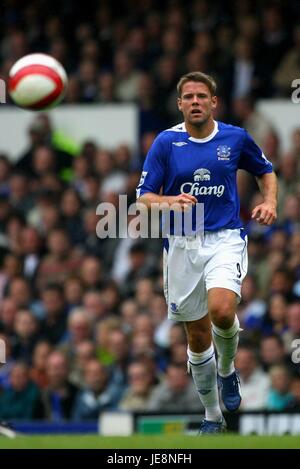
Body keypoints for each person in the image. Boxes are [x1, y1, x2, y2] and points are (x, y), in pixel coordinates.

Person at [136, 71, 277, 434]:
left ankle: (227, 371)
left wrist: (270, 201)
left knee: (221, 309)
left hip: (224, 237)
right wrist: (170, 201)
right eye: (188, 97)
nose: (195, 102)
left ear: (214, 102)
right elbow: (144, 197)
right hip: (182, 245)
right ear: (180, 104)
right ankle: (213, 415)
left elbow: (266, 171)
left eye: (202, 96)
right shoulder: (166, 143)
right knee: (197, 337)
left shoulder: (235, 137)